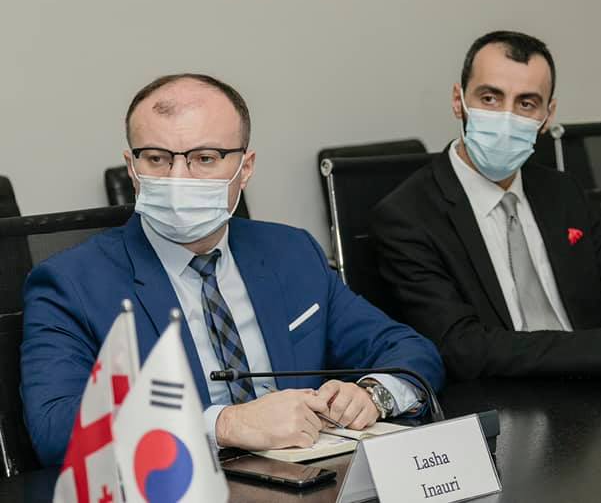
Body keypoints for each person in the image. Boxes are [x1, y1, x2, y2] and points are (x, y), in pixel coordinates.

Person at [21, 73, 444, 466]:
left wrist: (372, 395)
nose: (179, 178)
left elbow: (409, 351)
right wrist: (225, 424)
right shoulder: (70, 283)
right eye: (156, 159)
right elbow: (57, 428)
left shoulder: (291, 252)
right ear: (132, 168)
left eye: (205, 158)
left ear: (246, 168)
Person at [371, 30, 601, 381]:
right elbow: (462, 348)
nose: (506, 118)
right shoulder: (407, 216)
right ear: (458, 100)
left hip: (596, 391)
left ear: (548, 115)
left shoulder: (561, 191)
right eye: (490, 98)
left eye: (526, 104)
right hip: (497, 402)